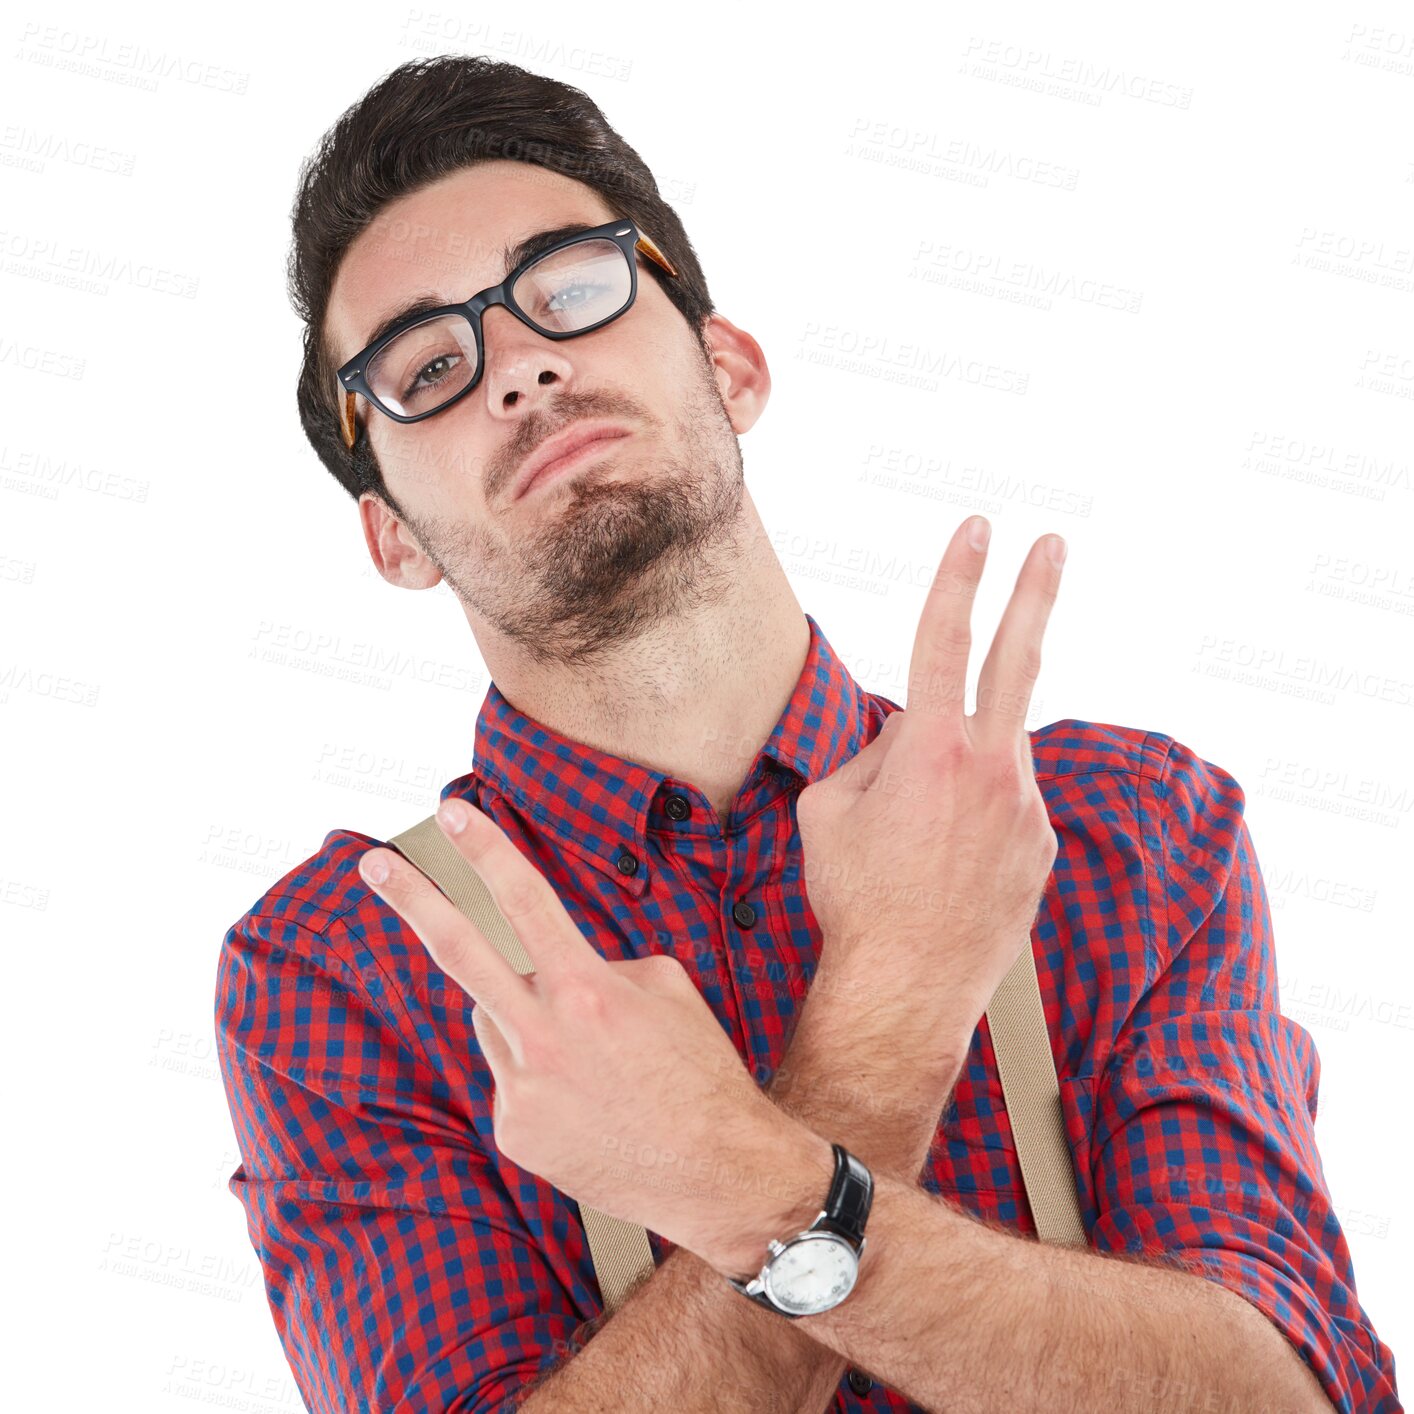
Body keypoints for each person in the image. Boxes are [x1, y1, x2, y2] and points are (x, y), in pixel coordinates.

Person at [213, 53, 1402, 1414]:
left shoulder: (1118, 822)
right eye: (425, 364)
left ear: (730, 365)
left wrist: (741, 1180)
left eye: (569, 286)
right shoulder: (353, 962)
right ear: (392, 538)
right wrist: (884, 1020)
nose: (518, 363)